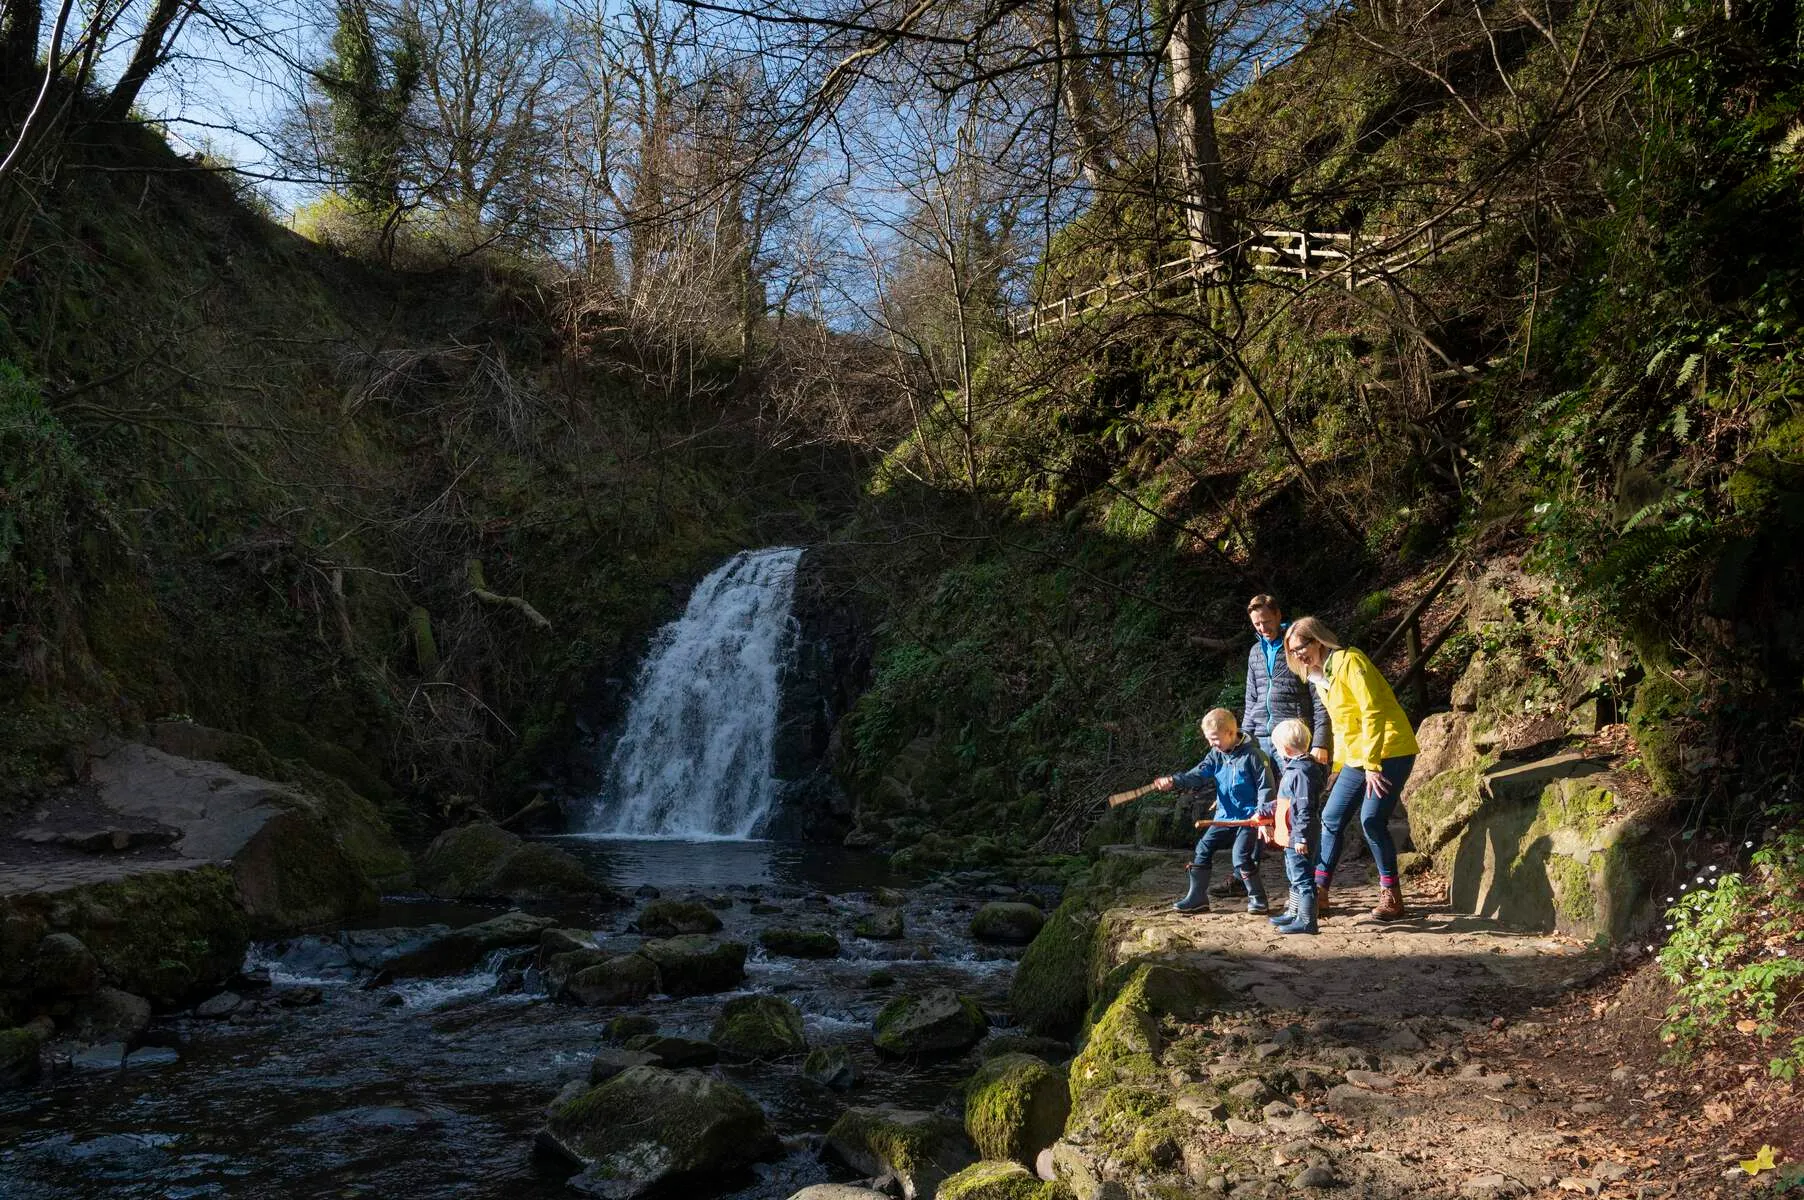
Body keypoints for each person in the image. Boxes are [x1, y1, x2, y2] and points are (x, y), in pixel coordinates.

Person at [1284, 616, 1419, 921]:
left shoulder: (1350, 661)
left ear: (1317, 640)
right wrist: (1339, 766)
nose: (1297, 655)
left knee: (1371, 819)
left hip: (1391, 749)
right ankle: (1319, 892)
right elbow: (1343, 725)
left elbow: (1372, 711)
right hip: (1359, 757)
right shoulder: (1320, 678)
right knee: (1331, 816)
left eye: (1300, 647)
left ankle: (1391, 895)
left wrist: (1372, 765)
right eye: (1292, 651)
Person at [1153, 709, 1277, 915]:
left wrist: (1263, 816)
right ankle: (1197, 898)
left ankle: (1258, 898)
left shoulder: (1254, 756)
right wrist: (1174, 780)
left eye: (1214, 739)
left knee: (1241, 856)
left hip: (1250, 819)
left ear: (1230, 733)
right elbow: (1198, 774)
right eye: (1209, 740)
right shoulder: (1216, 755)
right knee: (1203, 847)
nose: (1212, 744)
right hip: (1225, 817)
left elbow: (1266, 788)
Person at [1241, 595, 1332, 765]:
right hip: (1259, 740)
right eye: (1257, 624)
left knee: (1297, 790)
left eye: (1266, 621)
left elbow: (1320, 698)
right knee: (1266, 792)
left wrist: (1321, 742)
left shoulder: (1297, 648)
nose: (1262, 628)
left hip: (1293, 737)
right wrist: (1243, 737)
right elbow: (1251, 700)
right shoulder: (1254, 652)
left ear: (1278, 615)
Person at [1264, 718, 1327, 935]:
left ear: (1286, 749)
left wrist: (1300, 837)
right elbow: (1286, 800)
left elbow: (1305, 807)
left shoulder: (1301, 772)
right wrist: (1265, 809)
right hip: (1290, 834)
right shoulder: (1296, 769)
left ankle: (1308, 921)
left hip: (1298, 835)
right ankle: (1294, 912)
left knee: (1303, 878)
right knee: (1294, 876)